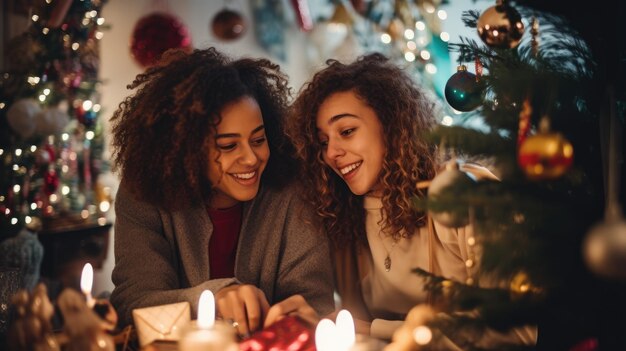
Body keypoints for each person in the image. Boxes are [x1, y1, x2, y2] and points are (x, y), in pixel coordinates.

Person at [268, 53, 536, 347]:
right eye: (323, 142)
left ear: (391, 124)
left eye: (346, 131)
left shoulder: (466, 195)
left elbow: (516, 333)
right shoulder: (345, 217)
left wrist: (374, 330)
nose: (332, 153)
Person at [108, 47, 334, 336]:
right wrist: (215, 298)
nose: (251, 158)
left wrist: (300, 318)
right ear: (186, 149)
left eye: (258, 139)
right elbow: (132, 305)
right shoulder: (143, 194)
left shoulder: (292, 191)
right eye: (228, 146)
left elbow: (316, 306)